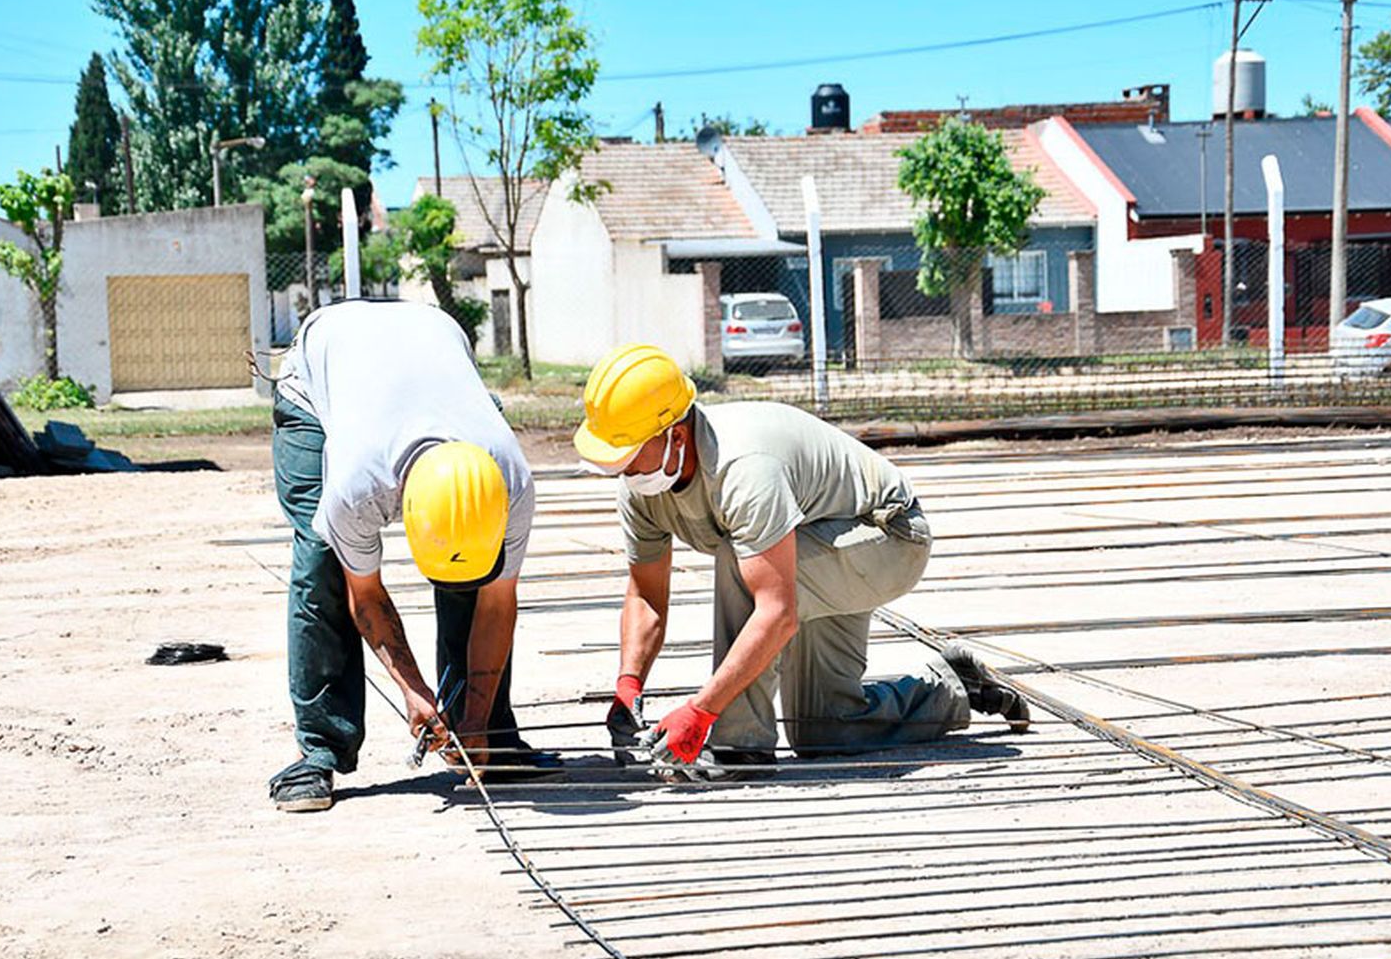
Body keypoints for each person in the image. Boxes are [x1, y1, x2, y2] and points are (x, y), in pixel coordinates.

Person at [572, 344, 1029, 777]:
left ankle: (740, 746)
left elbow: (777, 611)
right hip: (817, 546)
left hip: (889, 537)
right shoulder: (642, 486)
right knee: (826, 729)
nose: (622, 470)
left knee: (739, 559)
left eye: (628, 455)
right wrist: (628, 685)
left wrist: (702, 712)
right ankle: (953, 688)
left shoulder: (742, 468)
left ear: (675, 434)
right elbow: (646, 595)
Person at [266, 298, 557, 812]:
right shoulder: (356, 487)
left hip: (431, 343)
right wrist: (414, 691)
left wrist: (473, 713)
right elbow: (367, 595)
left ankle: (485, 734)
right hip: (320, 375)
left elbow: (495, 603)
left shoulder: (508, 480)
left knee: (476, 564)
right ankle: (319, 750)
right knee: (321, 561)